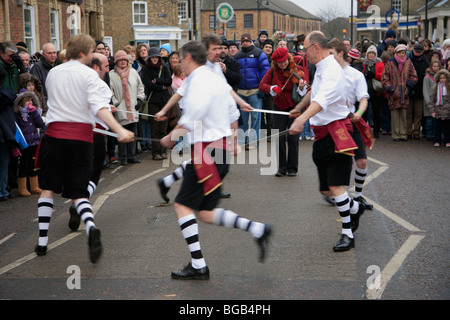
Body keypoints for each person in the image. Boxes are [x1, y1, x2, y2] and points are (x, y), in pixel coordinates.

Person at [159, 40, 272, 280]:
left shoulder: (200, 80)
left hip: (206, 154)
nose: (178, 63)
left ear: (188, 57)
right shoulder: (215, 78)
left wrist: (171, 136)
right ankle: (258, 229)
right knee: (205, 212)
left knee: (182, 206)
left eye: (179, 58)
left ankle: (198, 265)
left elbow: (193, 115)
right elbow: (233, 113)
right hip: (217, 152)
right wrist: (231, 141)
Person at [34, 34, 135, 263]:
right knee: (79, 192)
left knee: (48, 189)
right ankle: (90, 228)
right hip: (80, 138)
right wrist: (119, 130)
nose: (92, 57)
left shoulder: (54, 73)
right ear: (83, 53)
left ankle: (41, 243)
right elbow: (100, 109)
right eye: (90, 52)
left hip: (53, 136)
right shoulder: (90, 75)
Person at [289, 31, 365, 252]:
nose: (303, 53)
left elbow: (322, 100)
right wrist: (299, 108)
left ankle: (347, 234)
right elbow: (315, 93)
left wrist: (302, 119)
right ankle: (354, 207)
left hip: (337, 132)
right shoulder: (321, 68)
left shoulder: (332, 70)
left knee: (335, 185)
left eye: (304, 48)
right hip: (321, 133)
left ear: (315, 47)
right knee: (326, 190)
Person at [328, 39, 374, 210]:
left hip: (352, 121)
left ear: (341, 54)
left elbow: (363, 98)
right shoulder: (326, 74)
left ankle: (358, 196)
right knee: (342, 163)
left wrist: (359, 113)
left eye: (331, 54)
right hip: (334, 123)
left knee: (361, 161)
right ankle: (338, 194)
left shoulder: (356, 75)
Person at [259, 47, 308, 177]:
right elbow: (262, 85)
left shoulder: (297, 70)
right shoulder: (273, 70)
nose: (283, 64)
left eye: (285, 61)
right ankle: (281, 167)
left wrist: (301, 87)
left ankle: (292, 168)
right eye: (280, 62)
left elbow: (303, 93)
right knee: (279, 137)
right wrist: (273, 88)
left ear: (288, 58)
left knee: (293, 138)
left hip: (294, 107)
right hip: (278, 107)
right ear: (275, 62)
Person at [234, 33, 270, 147]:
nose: (245, 43)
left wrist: (262, 88)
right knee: (242, 119)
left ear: (251, 41)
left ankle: (254, 141)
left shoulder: (259, 53)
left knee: (255, 118)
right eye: (243, 41)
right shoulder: (237, 55)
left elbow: (265, 71)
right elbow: (234, 72)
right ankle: (242, 142)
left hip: (255, 90)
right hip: (241, 91)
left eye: (247, 41)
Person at [110, 50, 145, 165]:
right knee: (122, 134)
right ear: (116, 62)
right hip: (120, 108)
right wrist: (116, 104)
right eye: (120, 60)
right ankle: (123, 157)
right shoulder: (111, 75)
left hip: (133, 108)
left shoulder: (134, 73)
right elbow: (110, 92)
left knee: (132, 133)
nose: (123, 62)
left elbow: (140, 87)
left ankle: (132, 155)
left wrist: (139, 99)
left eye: (124, 60)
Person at [381, 44, 418, 141]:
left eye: (403, 53)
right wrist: (391, 89)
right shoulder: (390, 63)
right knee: (394, 114)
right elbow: (384, 78)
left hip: (405, 92)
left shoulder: (408, 62)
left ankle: (403, 134)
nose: (402, 55)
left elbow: (414, 76)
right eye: (400, 53)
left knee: (403, 114)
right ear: (396, 53)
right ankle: (396, 134)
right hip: (393, 93)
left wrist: (408, 87)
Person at [140, 47, 172, 160]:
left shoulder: (164, 68)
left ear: (159, 58)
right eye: (152, 57)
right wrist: (162, 86)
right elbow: (148, 84)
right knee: (154, 128)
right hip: (153, 101)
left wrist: (158, 81)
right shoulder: (146, 69)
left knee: (163, 128)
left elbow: (169, 81)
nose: (154, 59)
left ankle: (163, 151)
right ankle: (156, 152)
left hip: (165, 101)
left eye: (156, 57)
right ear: (149, 58)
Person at [13, 89, 44, 196]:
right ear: (21, 102)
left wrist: (34, 112)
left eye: (31, 99)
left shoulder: (32, 113)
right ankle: (22, 188)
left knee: (33, 164)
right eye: (27, 100)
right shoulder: (18, 115)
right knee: (23, 165)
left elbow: (40, 124)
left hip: (34, 142)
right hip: (25, 144)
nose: (29, 102)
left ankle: (34, 186)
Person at [0, 64, 20, 201]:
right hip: (3, 135)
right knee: (3, 163)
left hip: (4, 134)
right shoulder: (4, 96)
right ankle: (2, 191)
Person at [408, 43, 429, 139]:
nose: (417, 53)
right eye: (416, 51)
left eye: (419, 52)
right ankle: (408, 131)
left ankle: (416, 131)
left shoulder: (425, 62)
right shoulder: (408, 60)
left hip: (420, 90)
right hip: (409, 89)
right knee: (408, 113)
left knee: (418, 113)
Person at [363, 45, 384, 137]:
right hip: (365, 91)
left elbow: (383, 75)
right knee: (364, 112)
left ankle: (376, 131)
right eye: (369, 53)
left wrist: (374, 74)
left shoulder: (380, 63)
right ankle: (364, 131)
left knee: (376, 112)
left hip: (376, 91)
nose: (371, 55)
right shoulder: (363, 64)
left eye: (373, 53)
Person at [428, 69, 450, 147]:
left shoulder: (449, 87)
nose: (442, 80)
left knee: (447, 128)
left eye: (444, 78)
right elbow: (432, 99)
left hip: (447, 111)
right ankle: (437, 140)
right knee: (437, 128)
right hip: (438, 110)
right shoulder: (435, 87)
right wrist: (432, 110)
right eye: (441, 78)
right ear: (438, 79)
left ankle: (447, 141)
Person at [423, 60, 442, 141]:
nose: (436, 68)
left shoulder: (440, 77)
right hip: (429, 102)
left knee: (435, 121)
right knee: (429, 121)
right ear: (431, 67)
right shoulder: (427, 77)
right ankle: (429, 135)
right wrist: (428, 102)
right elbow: (425, 91)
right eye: (434, 66)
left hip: (437, 102)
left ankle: (435, 135)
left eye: (437, 66)